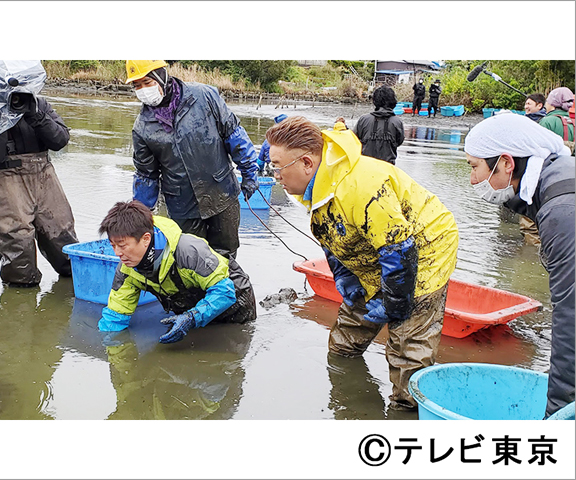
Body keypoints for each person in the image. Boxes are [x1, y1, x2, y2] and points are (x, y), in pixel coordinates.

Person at [266, 116, 459, 410]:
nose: (275, 174)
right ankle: (346, 398)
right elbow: (333, 232)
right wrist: (346, 277)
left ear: (306, 163)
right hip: (376, 249)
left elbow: (400, 250)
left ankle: (406, 415)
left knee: (408, 347)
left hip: (423, 248)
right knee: (345, 339)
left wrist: (395, 304)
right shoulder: (321, 179)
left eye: (277, 166)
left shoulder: (362, 187)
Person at [464, 113, 574, 418]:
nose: (472, 180)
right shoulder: (556, 177)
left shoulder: (562, 210)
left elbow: (571, 319)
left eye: (475, 167)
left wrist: (557, 414)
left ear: (507, 163)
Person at [127, 60, 260, 259]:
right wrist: (141, 212)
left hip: (222, 192)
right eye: (137, 86)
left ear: (161, 76)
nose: (143, 90)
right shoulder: (142, 128)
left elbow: (233, 134)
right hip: (182, 205)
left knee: (226, 256)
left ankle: (228, 290)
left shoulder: (204, 96)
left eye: (147, 82)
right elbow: (147, 175)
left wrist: (249, 171)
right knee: (191, 260)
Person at [0, 60, 78, 287]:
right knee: (17, 250)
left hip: (43, 176)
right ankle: (21, 308)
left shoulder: (37, 105)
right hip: (3, 180)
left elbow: (60, 140)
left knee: (63, 240)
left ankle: (72, 291)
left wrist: (34, 115)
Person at [97, 200, 256, 344]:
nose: (117, 253)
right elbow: (116, 316)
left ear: (146, 239)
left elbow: (224, 292)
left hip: (234, 304)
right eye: (113, 246)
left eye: (122, 246)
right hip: (192, 309)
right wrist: (106, 344)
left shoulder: (188, 252)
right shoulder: (127, 269)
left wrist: (191, 318)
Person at [352, 85, 405, 165]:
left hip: (365, 168)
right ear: (393, 101)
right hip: (388, 169)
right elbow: (399, 141)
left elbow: (354, 140)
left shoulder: (363, 120)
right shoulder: (397, 122)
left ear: (375, 101)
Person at [539, 87, 574, 152]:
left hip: (554, 161)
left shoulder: (547, 122)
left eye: (547, 101)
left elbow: (539, 147)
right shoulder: (573, 122)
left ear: (553, 104)